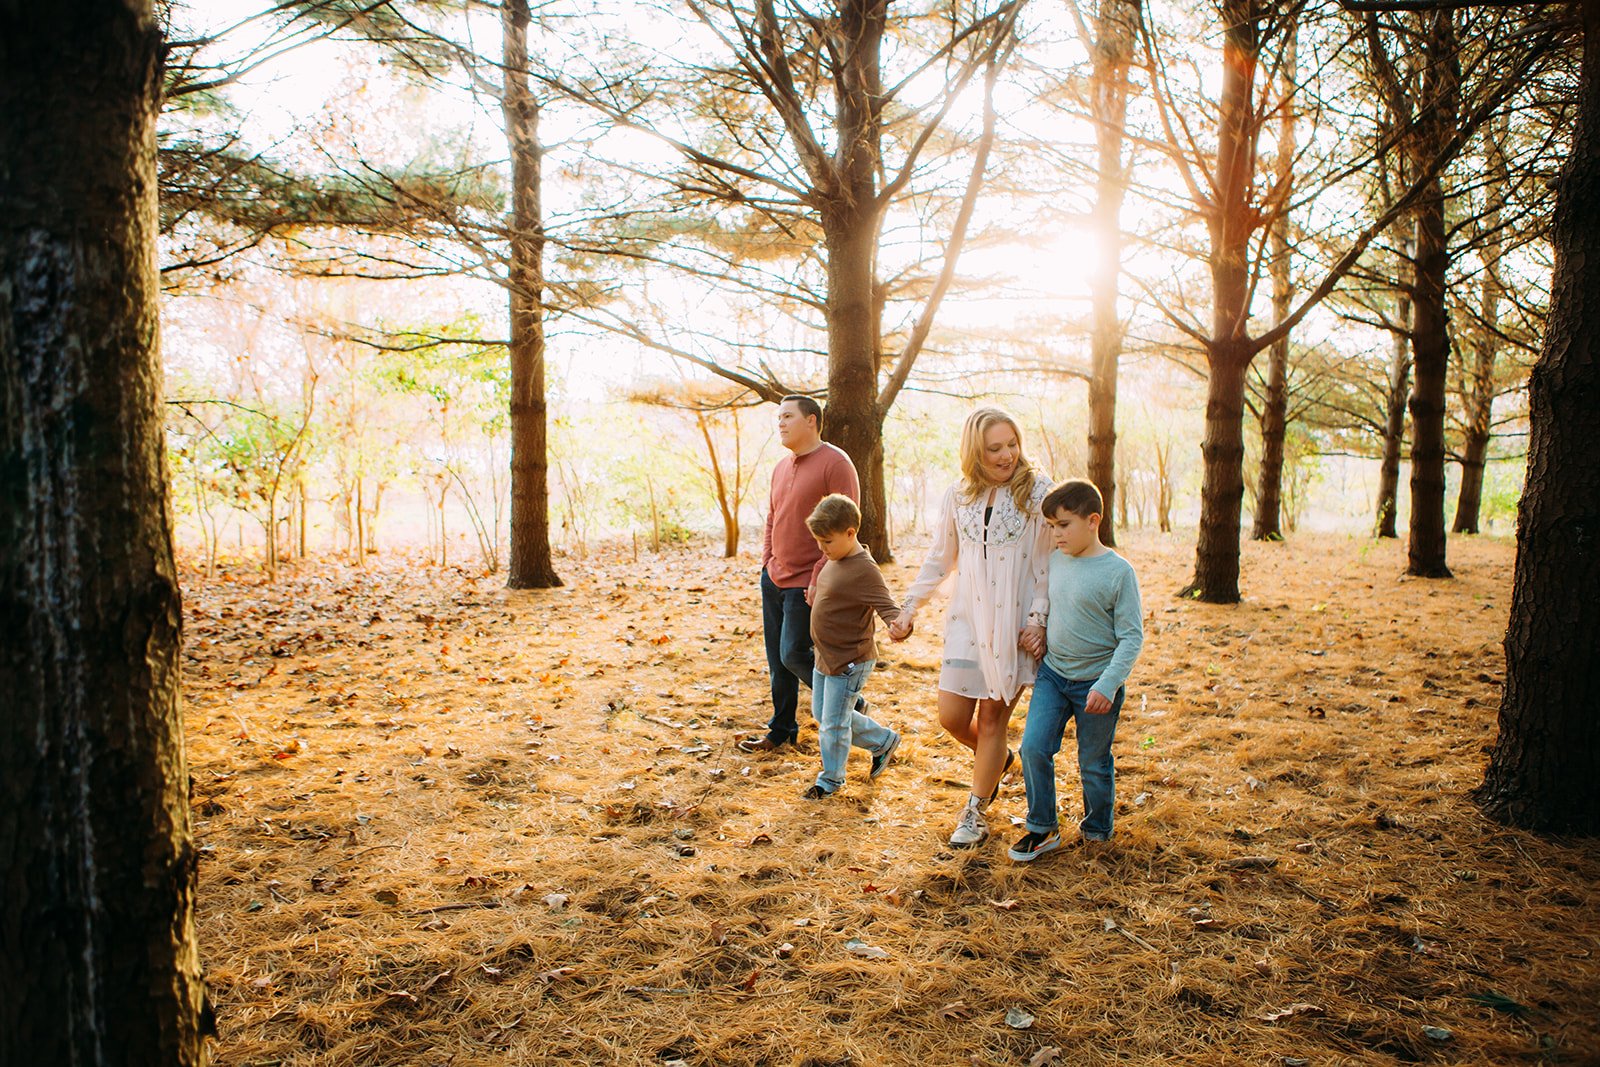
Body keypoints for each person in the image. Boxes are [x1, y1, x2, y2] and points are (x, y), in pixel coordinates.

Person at [890, 407, 1052, 847]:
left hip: (1014, 623)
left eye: (1012, 444)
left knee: (993, 717)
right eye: (994, 448)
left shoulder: (1038, 492)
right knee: (952, 717)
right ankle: (997, 760)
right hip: (966, 619)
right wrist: (909, 607)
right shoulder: (957, 496)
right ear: (974, 452)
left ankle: (975, 812)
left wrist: (1038, 619)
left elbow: (1046, 563)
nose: (1006, 456)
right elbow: (941, 557)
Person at [1008, 478, 1144, 862]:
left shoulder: (1118, 573)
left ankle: (1097, 830)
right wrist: (1036, 632)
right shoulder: (1055, 560)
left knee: (1093, 762)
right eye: (1051, 526)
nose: (1055, 534)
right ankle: (1041, 826)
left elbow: (1131, 638)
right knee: (1033, 746)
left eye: (1063, 525)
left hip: (1096, 684)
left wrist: (1108, 684)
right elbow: (1049, 608)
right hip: (1054, 674)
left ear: (1093, 521)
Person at [739, 395, 860, 754]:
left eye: (788, 416)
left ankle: (852, 705)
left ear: (812, 421)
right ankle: (781, 730)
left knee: (794, 653)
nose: (780, 423)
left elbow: (848, 524)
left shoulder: (835, 463)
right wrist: (766, 561)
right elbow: (773, 517)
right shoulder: (780, 467)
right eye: (778, 417)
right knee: (777, 661)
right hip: (774, 576)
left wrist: (820, 573)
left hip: (809, 580)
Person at [798, 494, 903, 798]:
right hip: (825, 655)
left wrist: (898, 626)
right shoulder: (836, 557)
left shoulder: (865, 569)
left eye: (827, 541)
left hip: (849, 660)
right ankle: (883, 741)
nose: (822, 548)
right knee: (825, 715)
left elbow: (888, 608)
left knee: (832, 723)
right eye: (818, 541)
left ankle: (830, 780)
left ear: (850, 533)